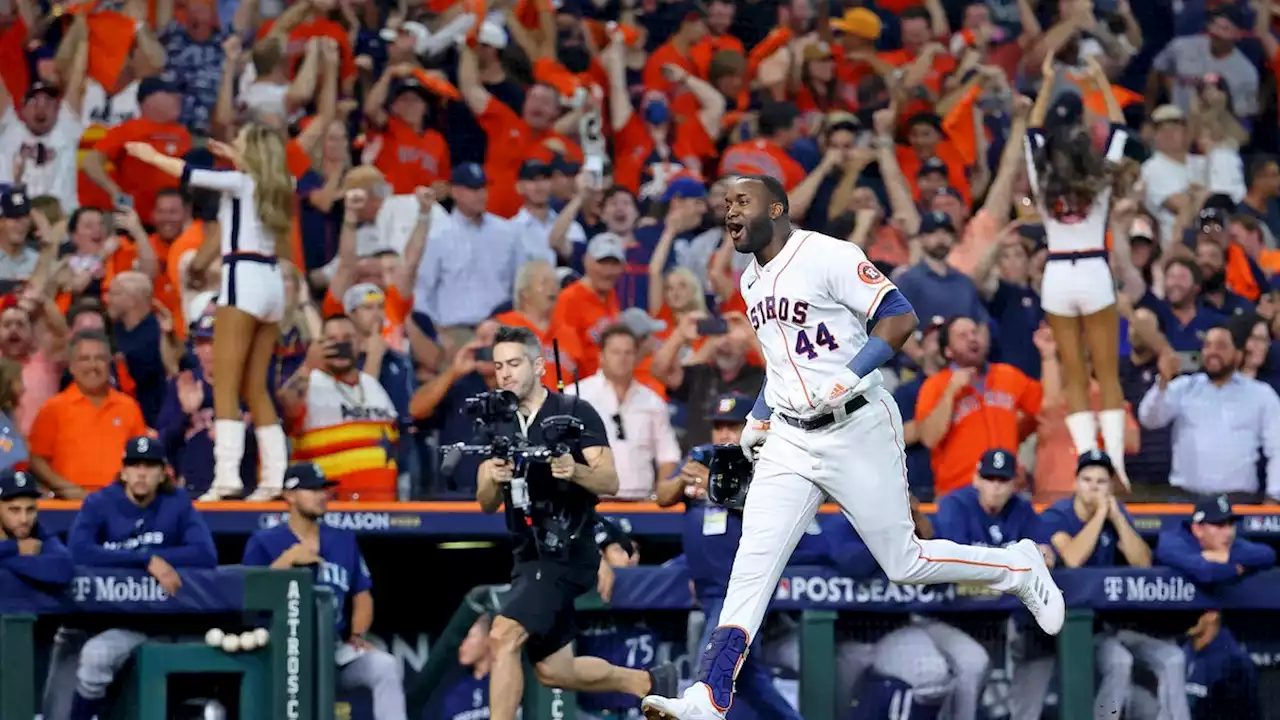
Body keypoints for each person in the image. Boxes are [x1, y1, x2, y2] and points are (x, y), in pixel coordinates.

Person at [641, 175, 1063, 719]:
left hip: (856, 423)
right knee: (752, 565)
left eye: (741, 201)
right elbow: (781, 364)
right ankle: (709, 695)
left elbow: (901, 317)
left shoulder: (827, 254)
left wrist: (848, 375)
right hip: (792, 436)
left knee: (904, 562)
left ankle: (1017, 568)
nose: (730, 212)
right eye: (725, 204)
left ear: (776, 207)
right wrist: (759, 415)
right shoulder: (749, 281)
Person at [476, 325, 677, 720]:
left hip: (568, 550)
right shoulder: (498, 421)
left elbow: (611, 481)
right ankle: (645, 683)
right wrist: (491, 477)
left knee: (503, 635)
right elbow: (485, 504)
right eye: (499, 366)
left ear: (537, 365)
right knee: (555, 670)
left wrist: (574, 470)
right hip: (527, 555)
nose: (505, 373)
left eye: (514, 363)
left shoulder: (573, 411)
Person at [122, 123, 294, 501]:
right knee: (256, 386)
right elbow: (258, 176)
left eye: (241, 141)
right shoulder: (284, 185)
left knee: (227, 384)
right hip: (272, 282)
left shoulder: (237, 182)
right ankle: (276, 477)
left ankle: (228, 476)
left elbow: (187, 174)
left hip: (242, 278)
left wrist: (150, 156)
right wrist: (238, 157)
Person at [653, 391, 804, 720]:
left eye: (732, 427)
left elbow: (766, 510)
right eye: (719, 427)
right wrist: (682, 477)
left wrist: (712, 483)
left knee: (709, 670)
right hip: (708, 589)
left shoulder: (765, 464)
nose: (723, 434)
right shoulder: (703, 456)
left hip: (740, 587)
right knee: (749, 680)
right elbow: (662, 497)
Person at [51, 436, 217, 720]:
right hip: (111, 619)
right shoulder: (101, 502)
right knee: (95, 655)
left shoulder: (176, 504)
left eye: (150, 466)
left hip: (163, 619)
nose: (142, 473)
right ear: (123, 471)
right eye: (134, 465)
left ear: (163, 472)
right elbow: (78, 552)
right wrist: (146, 560)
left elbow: (205, 554)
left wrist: (157, 560)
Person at [1026, 53, 1133, 486]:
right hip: (1092, 271)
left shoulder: (1041, 173)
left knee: (1073, 370)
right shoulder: (1102, 173)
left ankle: (1089, 454)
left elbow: (1032, 132)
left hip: (1056, 275)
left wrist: (1048, 80)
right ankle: (1116, 464)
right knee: (1105, 369)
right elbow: (1122, 129)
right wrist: (1100, 81)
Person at [242, 462, 408, 720]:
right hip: (283, 650)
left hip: (334, 648)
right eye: (312, 489)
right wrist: (285, 563)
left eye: (324, 489)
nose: (322, 495)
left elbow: (362, 593)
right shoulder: (264, 541)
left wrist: (357, 634)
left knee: (384, 666)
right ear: (290, 496)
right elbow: (248, 597)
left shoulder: (343, 539)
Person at [277, 315, 400, 501]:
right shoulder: (310, 383)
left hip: (382, 506)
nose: (340, 346)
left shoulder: (372, 385)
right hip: (329, 507)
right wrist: (308, 367)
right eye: (332, 340)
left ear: (360, 343)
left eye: (348, 339)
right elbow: (286, 405)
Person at [1154, 495, 1277, 584]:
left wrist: (1225, 557)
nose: (1228, 533)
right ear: (1198, 529)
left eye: (1230, 524)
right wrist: (1236, 568)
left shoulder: (1228, 542)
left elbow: (1267, 554)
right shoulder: (1173, 542)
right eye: (1219, 525)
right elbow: (1206, 572)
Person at [0, 467, 73, 589]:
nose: (24, 519)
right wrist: (16, 547)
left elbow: (63, 570)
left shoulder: (39, 532)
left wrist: (5, 560)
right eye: (14, 510)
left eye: (30, 510)